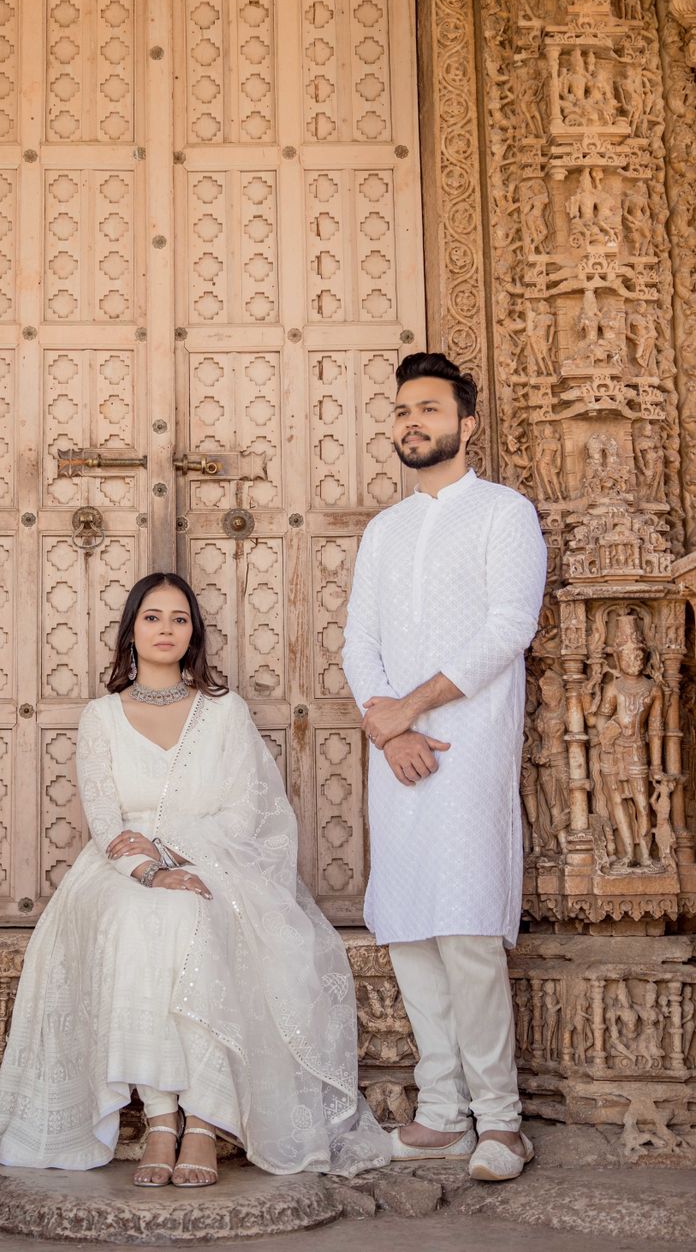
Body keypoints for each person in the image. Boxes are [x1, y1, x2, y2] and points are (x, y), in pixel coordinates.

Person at [0, 572, 390, 1185]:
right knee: (140, 915)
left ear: (193, 632)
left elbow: (247, 814)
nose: (165, 628)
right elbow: (105, 820)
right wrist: (146, 869)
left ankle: (200, 1119)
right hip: (118, 869)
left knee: (189, 912)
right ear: (131, 631)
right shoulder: (101, 717)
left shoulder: (224, 713)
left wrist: (175, 855)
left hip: (216, 862)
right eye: (152, 617)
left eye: (178, 618)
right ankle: (161, 1118)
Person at [342, 352, 547, 1183]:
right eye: (400, 411)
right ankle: (441, 1113)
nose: (410, 422)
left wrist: (413, 708)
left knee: (466, 930)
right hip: (398, 754)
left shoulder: (504, 514)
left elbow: (508, 628)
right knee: (408, 929)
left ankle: (501, 1122)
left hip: (468, 748)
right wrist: (388, 731)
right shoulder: (383, 530)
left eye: (427, 408)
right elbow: (359, 642)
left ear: (468, 423)